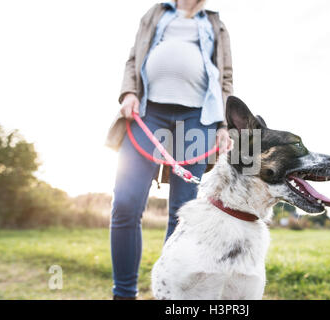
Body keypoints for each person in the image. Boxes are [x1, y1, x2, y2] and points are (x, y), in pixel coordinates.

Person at [105, 0, 233, 299]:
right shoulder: (156, 13)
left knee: (183, 213)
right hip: (147, 113)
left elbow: (225, 77)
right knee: (125, 203)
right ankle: (123, 293)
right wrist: (128, 92)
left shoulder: (216, 23)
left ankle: (172, 296)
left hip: (198, 117)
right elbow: (134, 57)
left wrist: (225, 124)